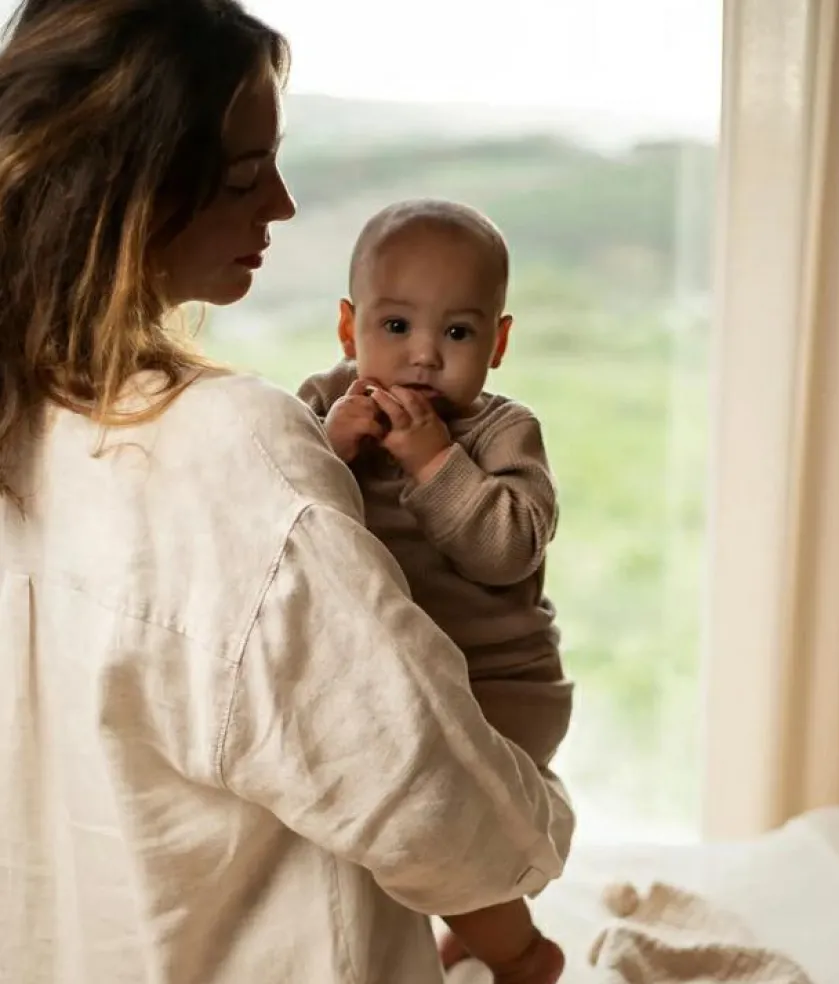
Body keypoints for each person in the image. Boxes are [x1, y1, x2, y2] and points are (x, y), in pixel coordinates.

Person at [0, 2, 574, 983]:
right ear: (134, 193)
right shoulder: (235, 448)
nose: (283, 204)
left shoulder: (29, 420)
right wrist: (532, 844)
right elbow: (424, 792)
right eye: (243, 175)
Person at [298, 199, 574, 984]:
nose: (423, 356)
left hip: (497, 686)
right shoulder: (323, 406)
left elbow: (508, 549)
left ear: (498, 343)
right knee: (393, 827)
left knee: (432, 830)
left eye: (457, 333)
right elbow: (281, 515)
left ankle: (522, 956)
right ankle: (465, 933)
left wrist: (433, 464)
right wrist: (328, 452)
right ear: (349, 328)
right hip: (392, 681)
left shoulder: (501, 434)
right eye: (396, 327)